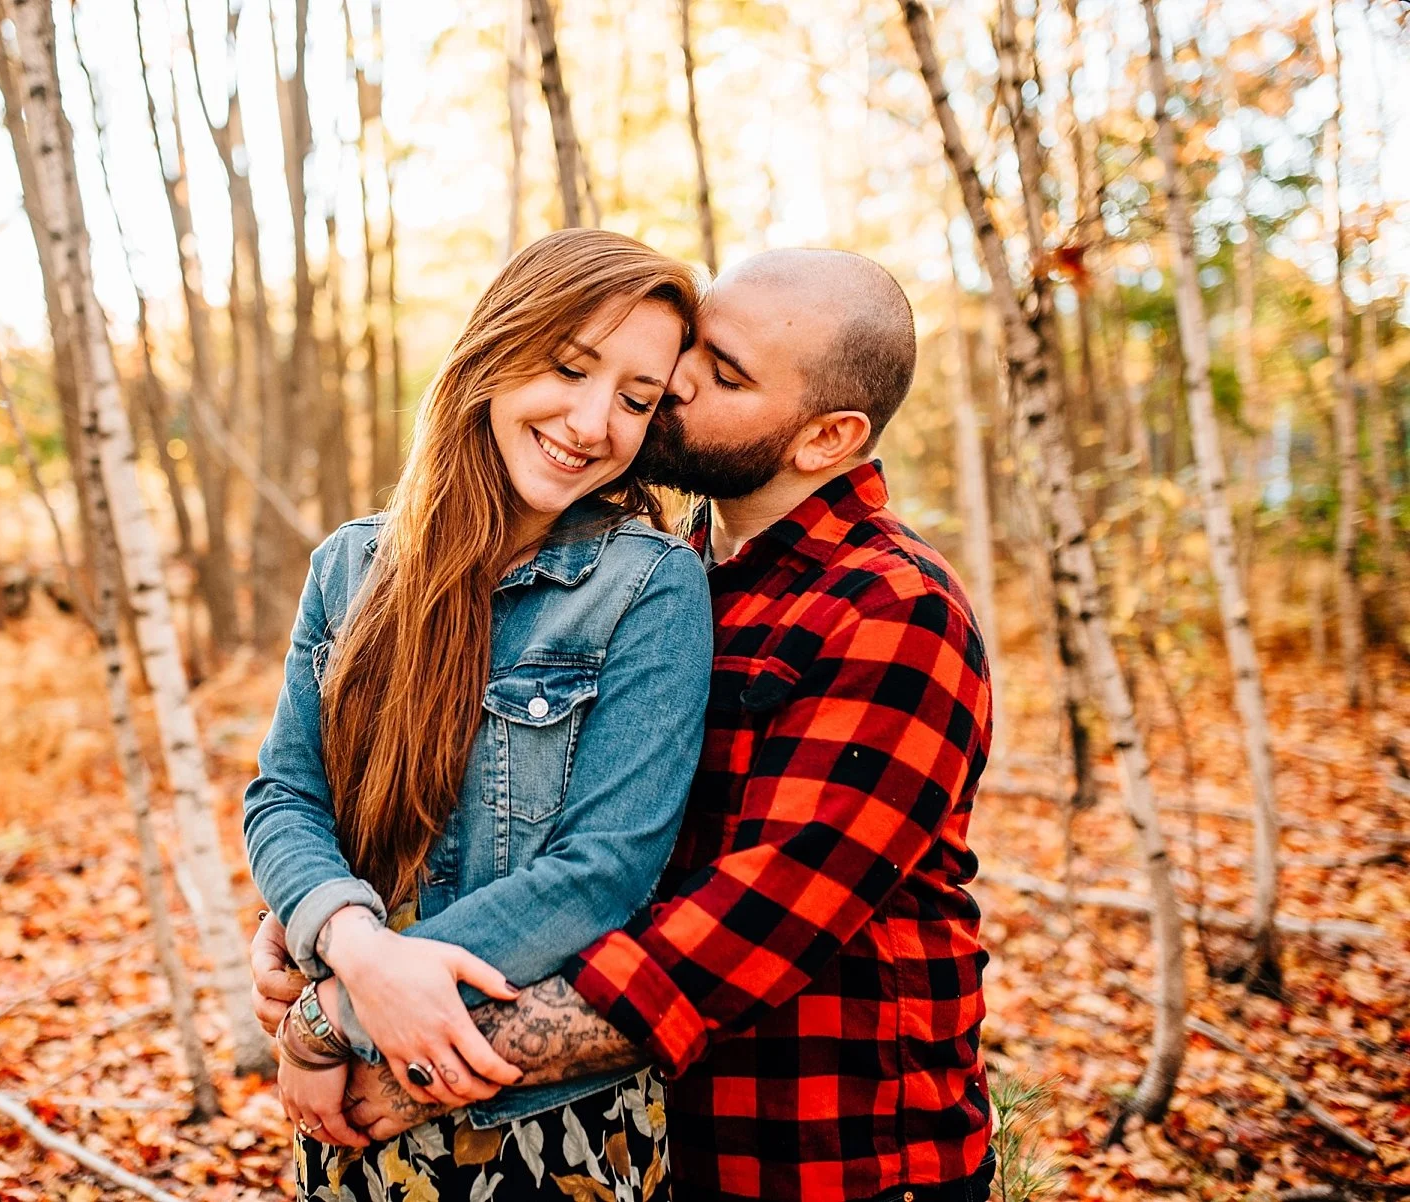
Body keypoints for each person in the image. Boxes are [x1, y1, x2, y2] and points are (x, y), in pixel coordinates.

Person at [254, 249, 997, 1202]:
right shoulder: (681, 563)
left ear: (826, 438)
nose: (675, 382)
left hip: (826, 1154)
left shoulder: (892, 609)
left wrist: (359, 1024)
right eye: (692, 351)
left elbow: (734, 934)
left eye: (720, 374)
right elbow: (355, 796)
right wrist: (320, 920)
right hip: (670, 1130)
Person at [242, 227, 714, 1200]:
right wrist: (351, 945)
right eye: (571, 366)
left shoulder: (648, 584)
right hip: (351, 1129)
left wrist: (333, 1013)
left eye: (634, 398)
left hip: (545, 1126)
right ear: (497, 348)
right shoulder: (351, 566)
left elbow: (603, 871)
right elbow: (285, 793)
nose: (592, 421)